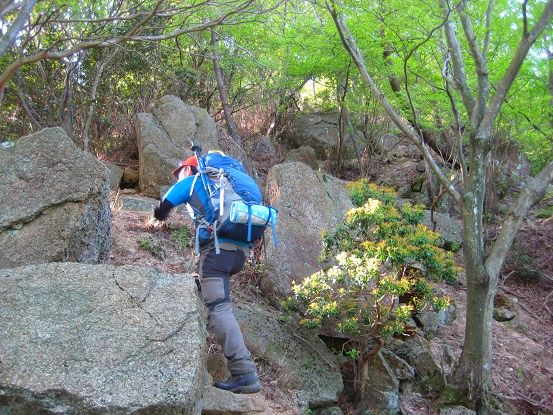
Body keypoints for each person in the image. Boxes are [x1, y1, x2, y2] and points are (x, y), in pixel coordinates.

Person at [152, 155, 261, 394]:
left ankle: (244, 373)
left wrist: (155, 214)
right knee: (215, 290)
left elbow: (162, 210)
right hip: (239, 254)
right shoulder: (232, 183)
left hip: (217, 254)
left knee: (220, 309)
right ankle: (202, 280)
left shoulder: (193, 182)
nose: (178, 175)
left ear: (190, 168)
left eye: (180, 171)